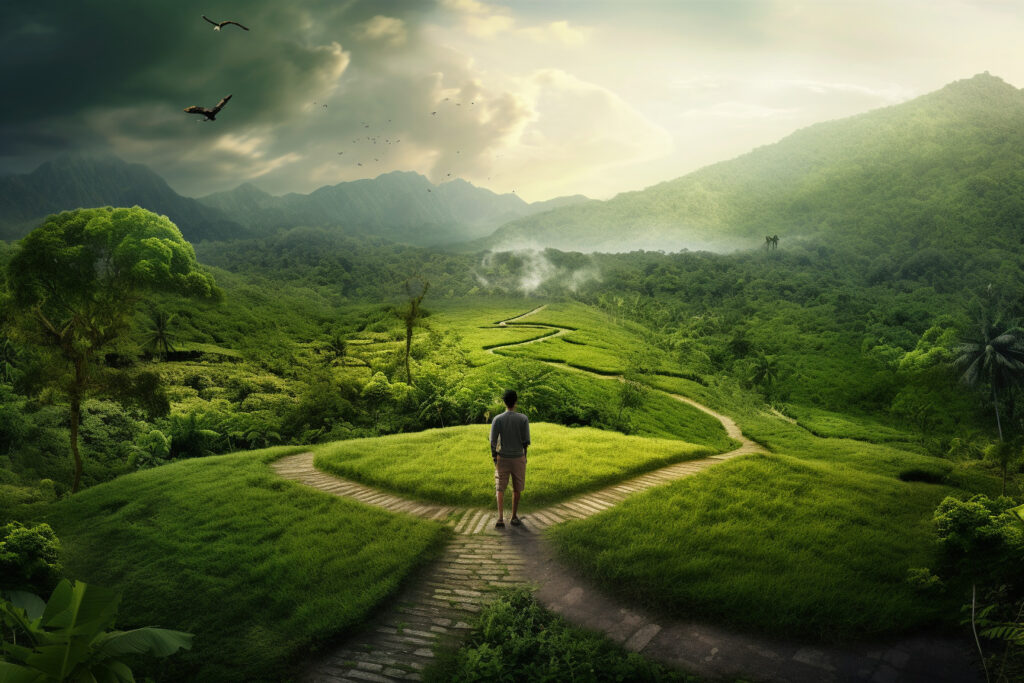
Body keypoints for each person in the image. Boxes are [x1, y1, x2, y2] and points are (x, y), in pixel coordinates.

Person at [490, 389, 529, 528]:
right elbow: (526, 442)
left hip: (503, 459)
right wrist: (525, 457)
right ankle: (513, 517)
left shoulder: (497, 419)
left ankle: (500, 518)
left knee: (500, 488)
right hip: (518, 457)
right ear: (516, 401)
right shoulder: (523, 419)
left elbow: (493, 442)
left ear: (504, 402)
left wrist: (495, 458)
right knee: (517, 488)